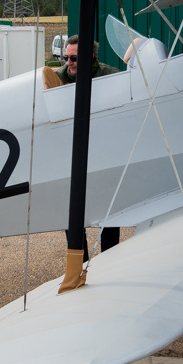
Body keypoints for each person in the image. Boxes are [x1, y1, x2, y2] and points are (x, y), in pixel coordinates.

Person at [55, 34, 121, 256]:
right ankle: (79, 260)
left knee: (108, 208)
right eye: (67, 58)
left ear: (90, 57)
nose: (69, 64)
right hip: (69, 152)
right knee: (71, 208)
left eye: (74, 59)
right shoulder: (57, 78)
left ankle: (110, 259)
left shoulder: (110, 75)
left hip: (104, 150)